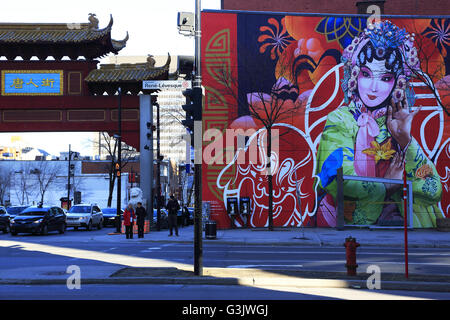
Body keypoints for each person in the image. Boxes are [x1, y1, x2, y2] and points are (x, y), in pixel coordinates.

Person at [316, 20, 442, 228]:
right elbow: (338, 181)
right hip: (348, 227)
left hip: (399, 232)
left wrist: (405, 140)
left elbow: (432, 189)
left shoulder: (395, 123)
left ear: (398, 83)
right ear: (355, 76)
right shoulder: (340, 120)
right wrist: (388, 187)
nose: (373, 87)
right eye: (366, 74)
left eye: (385, 78)